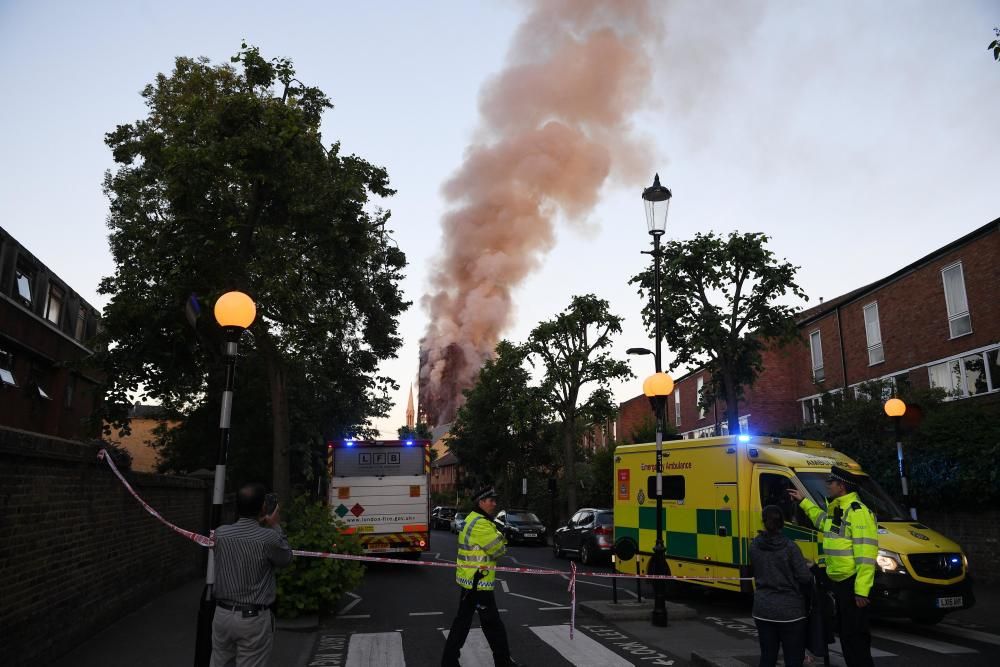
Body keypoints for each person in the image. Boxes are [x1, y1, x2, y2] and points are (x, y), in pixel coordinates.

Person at [789, 467, 877, 667]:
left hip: (852, 583)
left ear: (842, 486)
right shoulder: (838, 508)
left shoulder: (857, 512)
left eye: (831, 483)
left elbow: (866, 555)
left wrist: (862, 591)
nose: (828, 486)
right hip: (839, 582)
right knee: (847, 636)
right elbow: (823, 523)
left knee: (857, 638)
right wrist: (804, 502)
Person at [211, 483, 293, 667]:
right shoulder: (269, 538)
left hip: (222, 615)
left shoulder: (220, 534)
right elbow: (286, 558)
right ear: (263, 507)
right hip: (252, 619)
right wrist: (275, 526)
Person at [442, 486, 521, 667]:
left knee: (465, 623)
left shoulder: (474, 519)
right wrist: (502, 535)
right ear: (481, 502)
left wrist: (497, 533)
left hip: (471, 580)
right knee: (491, 625)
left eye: (495, 500)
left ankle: (449, 661)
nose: (494, 504)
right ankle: (503, 662)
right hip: (478, 582)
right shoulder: (480, 524)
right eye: (491, 500)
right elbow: (498, 550)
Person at [750, 504, 813, 667]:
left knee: (767, 656)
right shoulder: (790, 547)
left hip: (763, 608)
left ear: (763, 522)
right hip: (790, 611)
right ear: (782, 523)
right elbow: (804, 577)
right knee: (793, 657)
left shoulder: (755, 545)